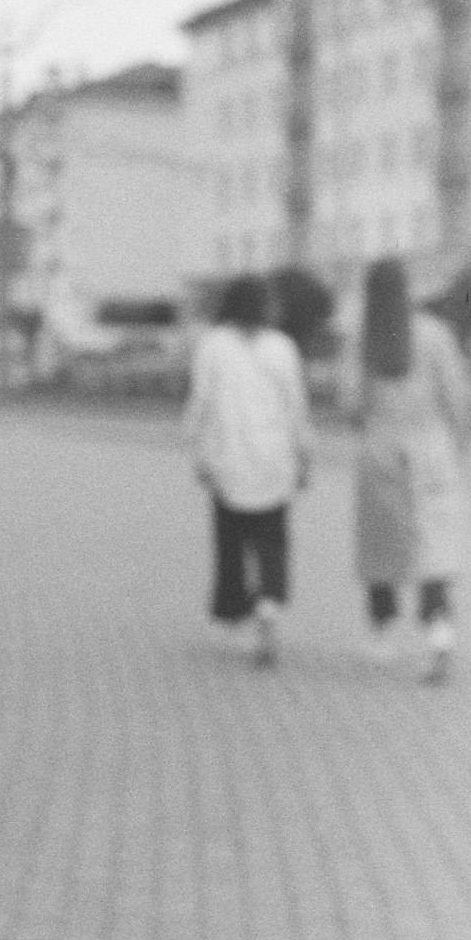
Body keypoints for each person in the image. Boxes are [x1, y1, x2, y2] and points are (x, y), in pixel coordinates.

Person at [185, 274, 314, 667]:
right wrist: (305, 455)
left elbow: (200, 405)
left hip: (228, 460)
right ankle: (269, 608)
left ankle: (232, 617)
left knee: (231, 544)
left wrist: (200, 456)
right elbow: (297, 407)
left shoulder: (212, 346)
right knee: (272, 543)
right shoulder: (282, 348)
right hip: (273, 461)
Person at [352, 257, 469, 684]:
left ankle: (383, 634)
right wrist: (461, 445)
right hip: (431, 452)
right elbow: (456, 398)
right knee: (432, 549)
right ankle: (439, 633)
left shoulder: (365, 337)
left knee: (380, 550)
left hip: (382, 451)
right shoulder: (435, 334)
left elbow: (352, 403)